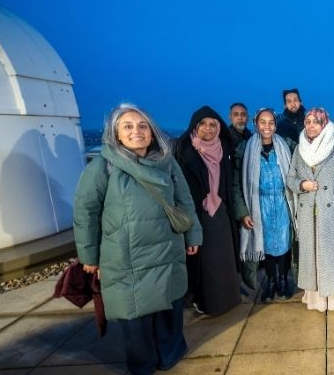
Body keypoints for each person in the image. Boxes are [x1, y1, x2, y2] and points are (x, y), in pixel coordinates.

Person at [74, 103, 201, 374]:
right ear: (116, 133)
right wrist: (89, 256)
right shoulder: (103, 166)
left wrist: (193, 234)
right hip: (126, 256)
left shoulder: (166, 162)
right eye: (128, 126)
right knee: (136, 318)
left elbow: (184, 201)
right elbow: (86, 212)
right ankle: (142, 365)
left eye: (143, 126)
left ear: (152, 132)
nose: (137, 132)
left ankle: (170, 354)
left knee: (169, 307)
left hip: (167, 248)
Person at [287, 108, 334, 311]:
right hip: (308, 212)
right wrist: (302, 185)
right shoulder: (299, 149)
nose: (310, 125)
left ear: (324, 124)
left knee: (331, 257)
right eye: (307, 121)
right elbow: (291, 179)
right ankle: (315, 297)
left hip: (330, 212)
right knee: (311, 256)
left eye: (315, 122)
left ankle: (332, 296)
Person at [175, 106, 242, 316]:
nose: (208, 128)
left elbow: (230, 182)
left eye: (213, 124)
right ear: (195, 127)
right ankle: (206, 301)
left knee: (224, 258)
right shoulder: (184, 150)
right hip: (197, 214)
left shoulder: (224, 148)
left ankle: (228, 299)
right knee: (204, 262)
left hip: (221, 212)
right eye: (203, 124)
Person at [233, 108, 297, 303]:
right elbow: (237, 183)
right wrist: (243, 212)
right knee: (267, 246)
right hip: (259, 205)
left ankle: (284, 279)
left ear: (276, 125)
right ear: (256, 124)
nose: (267, 126)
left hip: (284, 201)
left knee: (285, 244)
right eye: (263, 122)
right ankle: (270, 280)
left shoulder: (286, 145)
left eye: (271, 122)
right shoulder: (245, 149)